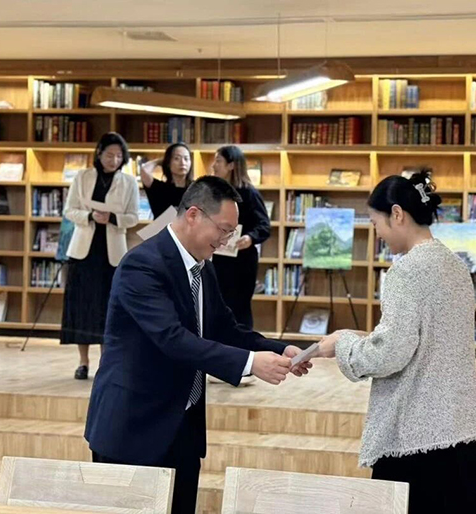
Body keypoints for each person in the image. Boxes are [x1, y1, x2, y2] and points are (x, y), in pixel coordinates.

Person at [84, 176, 311, 514]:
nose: (226, 240)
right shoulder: (142, 264)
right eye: (223, 230)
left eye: (231, 233)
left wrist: (279, 349)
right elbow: (172, 339)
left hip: (182, 428)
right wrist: (251, 363)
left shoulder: (202, 266)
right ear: (193, 215)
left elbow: (223, 328)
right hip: (133, 427)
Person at [315, 171, 476, 513]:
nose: (377, 234)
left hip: (415, 434)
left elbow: (390, 353)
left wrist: (343, 344)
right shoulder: (456, 266)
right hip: (459, 427)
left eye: (376, 223)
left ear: (397, 214)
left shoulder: (406, 271)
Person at [61, 132, 139, 380]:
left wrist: (113, 218)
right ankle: (83, 362)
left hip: (112, 253)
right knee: (82, 306)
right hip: (83, 251)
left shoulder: (129, 182)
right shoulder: (83, 177)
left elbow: (133, 217)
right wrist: (89, 216)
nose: (114, 160)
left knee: (109, 309)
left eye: (118, 156)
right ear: (99, 154)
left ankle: (106, 362)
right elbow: (69, 210)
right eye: (109, 155)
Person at [210, 145, 270, 329]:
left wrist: (250, 238)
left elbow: (264, 225)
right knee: (216, 305)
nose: (213, 165)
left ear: (231, 165)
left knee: (239, 309)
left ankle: (243, 343)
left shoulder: (249, 193)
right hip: (217, 258)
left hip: (241, 261)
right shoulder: (214, 193)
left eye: (218, 161)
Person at [141, 142, 193, 218]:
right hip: (162, 225)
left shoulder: (197, 188)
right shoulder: (159, 188)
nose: (182, 163)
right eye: (177, 158)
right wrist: (161, 161)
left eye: (186, 159)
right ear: (169, 162)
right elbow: (144, 170)